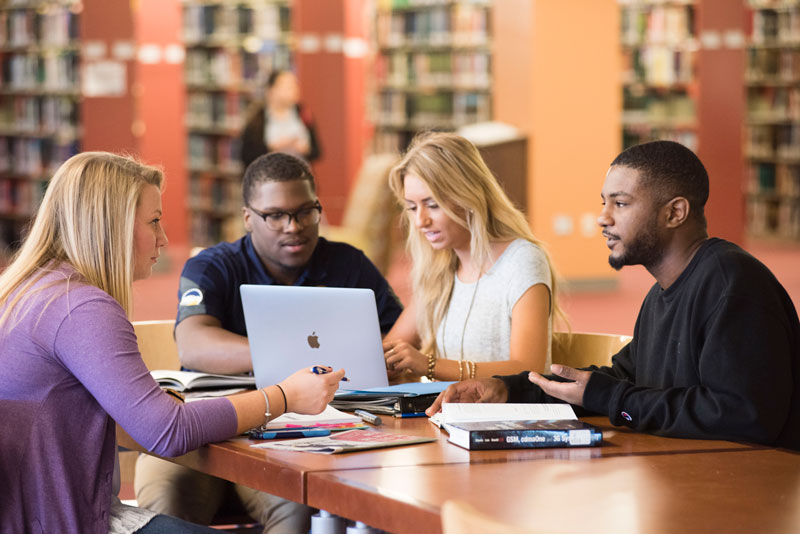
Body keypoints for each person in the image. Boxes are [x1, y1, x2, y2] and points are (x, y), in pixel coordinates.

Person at [0, 152, 344, 534]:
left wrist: (152, 408)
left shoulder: (32, 291)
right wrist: (286, 396)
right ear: (111, 225)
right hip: (73, 521)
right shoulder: (80, 307)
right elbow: (168, 432)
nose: (164, 239)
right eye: (155, 221)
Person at [427, 140, 800, 450]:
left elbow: (742, 416)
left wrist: (613, 398)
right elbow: (619, 380)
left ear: (675, 213)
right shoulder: (661, 294)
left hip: (749, 497)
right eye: (604, 202)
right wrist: (508, 390)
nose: (602, 218)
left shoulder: (733, 284)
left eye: (620, 204)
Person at [134, 152, 403, 532]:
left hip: (300, 436)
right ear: (248, 218)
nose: (293, 227)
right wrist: (289, 363)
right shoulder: (213, 265)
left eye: (305, 212)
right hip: (202, 434)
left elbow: (400, 334)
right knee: (167, 504)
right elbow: (193, 343)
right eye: (275, 215)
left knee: (300, 509)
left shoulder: (349, 264)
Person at [383, 132, 565, 382]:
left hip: (507, 417)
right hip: (447, 414)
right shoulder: (439, 268)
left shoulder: (522, 261)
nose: (420, 221)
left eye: (432, 204)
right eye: (412, 208)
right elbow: (392, 350)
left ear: (467, 196)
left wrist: (430, 365)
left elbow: (528, 369)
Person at [241, 70, 321, 169]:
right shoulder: (257, 120)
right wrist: (273, 147)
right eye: (287, 86)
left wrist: (305, 149)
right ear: (271, 90)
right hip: (268, 178)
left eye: (295, 85)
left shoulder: (302, 113)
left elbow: (317, 151)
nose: (294, 89)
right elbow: (246, 156)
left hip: (299, 177)